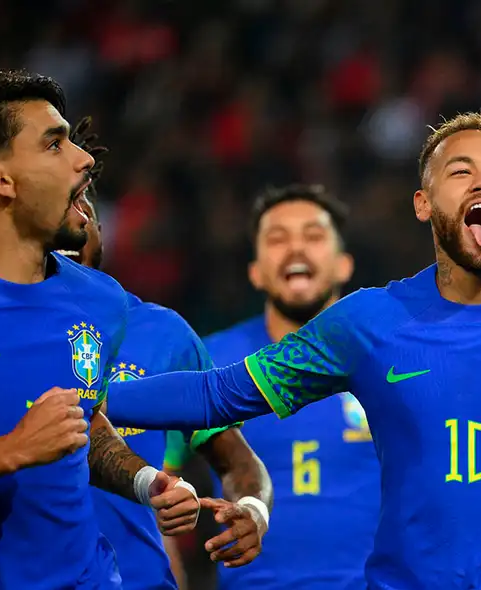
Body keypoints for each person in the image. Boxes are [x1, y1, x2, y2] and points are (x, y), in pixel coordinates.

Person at [105, 113, 481, 588]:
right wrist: (90, 403)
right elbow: (217, 394)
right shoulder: (370, 323)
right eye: (460, 172)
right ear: (423, 204)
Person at [0, 67, 200, 589]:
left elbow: (82, 425)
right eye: (53, 145)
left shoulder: (101, 300)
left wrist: (144, 480)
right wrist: (9, 450)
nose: (84, 158)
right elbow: (32, 442)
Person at [63, 117, 273, 589]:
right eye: (60, 206)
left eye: (84, 206)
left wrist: (252, 510)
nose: (74, 221)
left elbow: (238, 462)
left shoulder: (162, 332)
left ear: (101, 227)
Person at [164, 183, 380, 589]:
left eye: (313, 236)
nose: (296, 250)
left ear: (344, 264)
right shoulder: (208, 363)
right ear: (256, 271)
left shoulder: (389, 362)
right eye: (277, 238)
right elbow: (153, 483)